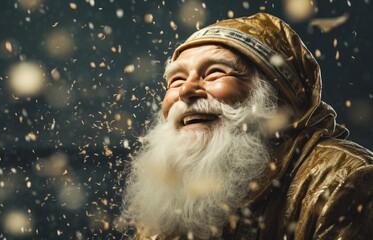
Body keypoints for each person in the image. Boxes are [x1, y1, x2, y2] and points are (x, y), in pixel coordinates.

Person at [121, 13, 373, 239]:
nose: (186, 90)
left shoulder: (347, 182)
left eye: (214, 73)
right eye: (176, 80)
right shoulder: (174, 193)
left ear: (278, 99)